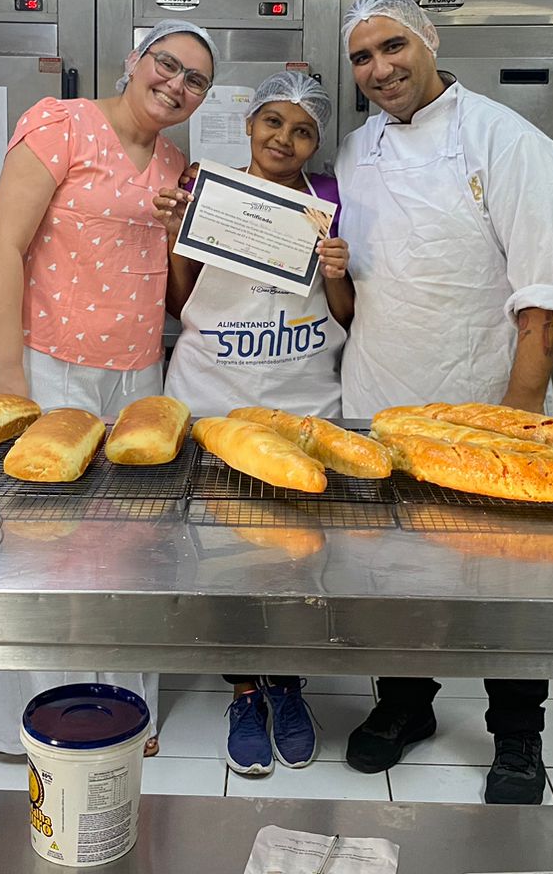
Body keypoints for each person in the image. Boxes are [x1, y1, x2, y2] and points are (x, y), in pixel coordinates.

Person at [334, 0, 553, 804]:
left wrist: (515, 422)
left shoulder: (508, 141)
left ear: (429, 41)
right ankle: (406, 704)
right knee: (394, 568)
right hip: (382, 398)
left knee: (511, 576)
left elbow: (545, 294)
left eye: (393, 47)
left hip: (487, 404)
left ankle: (517, 734)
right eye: (362, 57)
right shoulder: (356, 152)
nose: (380, 69)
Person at [0, 19, 218, 758]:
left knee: (129, 540)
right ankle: (37, 722)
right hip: (50, 362)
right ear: (135, 60)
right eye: (166, 64)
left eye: (195, 81)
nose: (175, 85)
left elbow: (169, 279)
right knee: (41, 539)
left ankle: (124, 709)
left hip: (136, 371)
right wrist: (8, 371)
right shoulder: (62, 124)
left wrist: (183, 230)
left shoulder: (174, 162)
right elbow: (2, 243)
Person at [153, 70, 350, 777]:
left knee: (301, 552)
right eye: (273, 122)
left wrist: (337, 273)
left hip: (303, 401)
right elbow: (181, 303)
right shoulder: (211, 194)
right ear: (248, 123)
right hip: (216, 396)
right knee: (222, 549)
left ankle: (288, 682)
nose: (284, 140)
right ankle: (243, 691)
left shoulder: (331, 202)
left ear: (316, 142)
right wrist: (176, 237)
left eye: (302, 131)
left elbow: (349, 315)